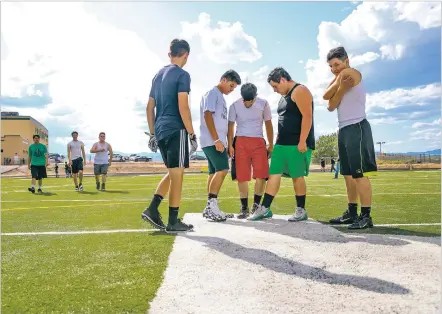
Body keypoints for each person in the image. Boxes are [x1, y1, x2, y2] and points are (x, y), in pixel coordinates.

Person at [141, 38, 198, 233]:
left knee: (174, 171)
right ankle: (173, 220)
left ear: (169, 54)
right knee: (178, 174)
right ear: (186, 55)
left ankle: (153, 208)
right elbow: (183, 106)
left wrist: (152, 133)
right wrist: (191, 133)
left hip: (161, 130)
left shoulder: (158, 75)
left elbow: (149, 107)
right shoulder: (183, 75)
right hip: (176, 128)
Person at [248, 67, 315, 222]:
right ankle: (264, 208)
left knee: (297, 176)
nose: (274, 90)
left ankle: (301, 210)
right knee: (273, 174)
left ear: (283, 80)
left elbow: (307, 116)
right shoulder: (283, 97)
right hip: (282, 144)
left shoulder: (300, 90)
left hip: (297, 143)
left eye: (275, 86)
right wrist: (275, 141)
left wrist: (303, 140)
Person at [323, 46, 377, 230]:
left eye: (336, 64)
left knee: (359, 175)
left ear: (347, 60)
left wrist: (338, 87)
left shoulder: (351, 72)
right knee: (347, 175)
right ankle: (352, 213)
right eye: (331, 66)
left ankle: (366, 216)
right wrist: (342, 87)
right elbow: (329, 102)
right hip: (344, 129)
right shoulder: (340, 77)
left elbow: (330, 98)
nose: (334, 69)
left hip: (357, 127)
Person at [199, 70, 242, 222]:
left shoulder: (221, 97)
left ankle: (211, 207)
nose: (231, 90)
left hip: (216, 140)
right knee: (223, 169)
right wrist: (217, 140)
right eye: (231, 85)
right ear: (223, 80)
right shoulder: (213, 93)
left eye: (234, 88)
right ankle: (211, 207)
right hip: (212, 140)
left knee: (213, 172)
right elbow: (207, 115)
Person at [227, 82, 273, 219]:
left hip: (258, 141)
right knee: (242, 176)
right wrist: (230, 145)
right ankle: (244, 208)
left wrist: (271, 144)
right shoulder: (234, 105)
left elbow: (268, 124)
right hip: (240, 141)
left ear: (255, 97)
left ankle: (256, 206)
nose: (247, 104)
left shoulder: (263, 104)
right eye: (245, 101)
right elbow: (230, 127)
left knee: (261, 175)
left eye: (250, 101)